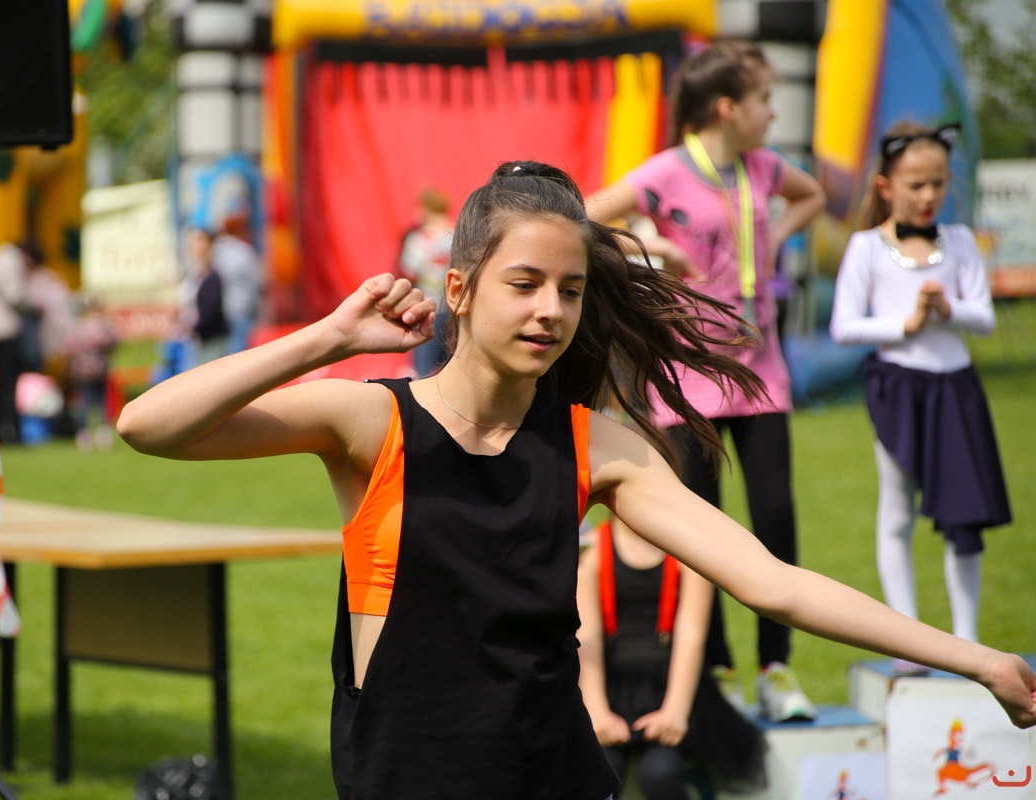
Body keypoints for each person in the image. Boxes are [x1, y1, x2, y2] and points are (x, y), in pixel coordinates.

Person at [117, 161, 1036, 800]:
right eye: (524, 283)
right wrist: (328, 339)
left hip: (556, 777)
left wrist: (981, 663)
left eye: (570, 289)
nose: (551, 310)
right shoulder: (372, 422)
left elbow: (774, 584)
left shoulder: (598, 446)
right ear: (459, 289)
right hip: (403, 779)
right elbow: (147, 426)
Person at [584, 39, 827, 722]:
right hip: (685, 380)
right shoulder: (665, 172)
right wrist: (652, 246)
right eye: (763, 100)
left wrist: (774, 238)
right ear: (727, 107)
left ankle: (775, 668)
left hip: (761, 373)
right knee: (704, 529)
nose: (772, 113)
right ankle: (716, 671)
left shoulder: (765, 168)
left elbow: (811, 196)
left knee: (775, 516)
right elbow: (584, 216)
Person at [829, 121, 1011, 671]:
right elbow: (844, 326)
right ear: (886, 186)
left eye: (938, 183)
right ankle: (907, 641)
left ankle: (967, 638)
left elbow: (984, 317)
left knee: (964, 517)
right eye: (915, 185)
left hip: (956, 389)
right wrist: (903, 325)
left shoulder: (959, 242)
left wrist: (949, 310)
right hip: (898, 389)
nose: (928, 195)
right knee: (897, 510)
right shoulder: (866, 247)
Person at [577, 515, 767, 798]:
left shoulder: (689, 552)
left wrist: (675, 712)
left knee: (659, 774)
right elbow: (586, 635)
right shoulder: (592, 548)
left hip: (673, 689)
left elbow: (691, 635)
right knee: (602, 771)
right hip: (611, 691)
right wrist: (596, 711)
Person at [0, 240, 41, 444]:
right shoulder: (11, 260)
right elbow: (16, 296)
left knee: (0, 384)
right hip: (2, 331)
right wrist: (35, 309)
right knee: (7, 385)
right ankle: (10, 432)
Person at [397, 186, 455, 376]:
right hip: (453, 309)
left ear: (427, 209)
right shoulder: (457, 235)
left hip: (426, 307)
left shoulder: (420, 239)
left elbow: (409, 269)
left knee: (423, 367)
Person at [61, 293, 119, 452]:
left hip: (80, 370)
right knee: (101, 401)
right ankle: (103, 431)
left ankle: (83, 432)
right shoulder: (102, 324)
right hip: (99, 369)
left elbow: (68, 348)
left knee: (82, 402)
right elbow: (113, 341)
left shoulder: (75, 325)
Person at [211, 210, 264, 356]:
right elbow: (256, 282)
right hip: (241, 310)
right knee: (239, 354)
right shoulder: (244, 252)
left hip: (221, 312)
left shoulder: (215, 252)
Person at [183, 228, 229, 365]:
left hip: (211, 337)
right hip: (197, 338)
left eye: (199, 240)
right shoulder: (194, 272)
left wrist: (193, 327)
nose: (195, 245)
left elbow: (211, 308)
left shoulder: (213, 273)